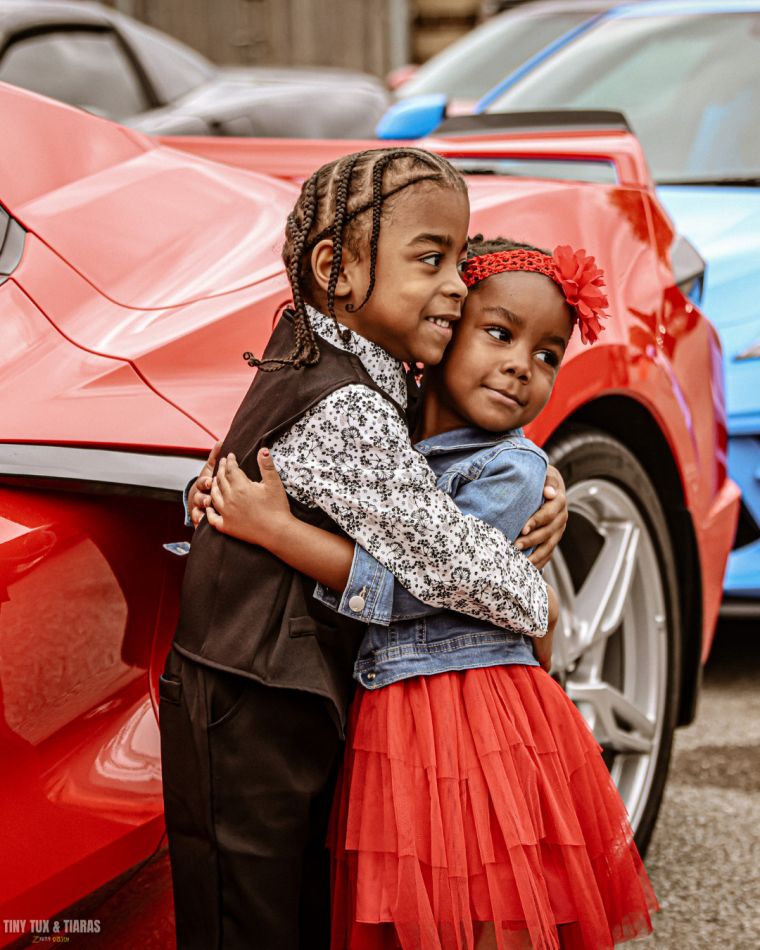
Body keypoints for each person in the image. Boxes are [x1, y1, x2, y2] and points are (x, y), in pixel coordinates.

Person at [162, 149, 568, 950]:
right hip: (249, 698)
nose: (458, 286)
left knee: (299, 907)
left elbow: (426, 467)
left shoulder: (339, 357)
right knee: (248, 917)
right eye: (431, 260)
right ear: (336, 269)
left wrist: (543, 483)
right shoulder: (347, 402)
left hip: (288, 681)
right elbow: (448, 559)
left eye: (460, 261)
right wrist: (537, 599)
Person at [207, 237, 658, 949]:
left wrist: (276, 531)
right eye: (500, 334)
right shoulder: (379, 428)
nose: (523, 365)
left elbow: (420, 587)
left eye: (548, 355)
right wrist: (216, 493)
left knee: (488, 908)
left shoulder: (510, 470)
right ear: (446, 333)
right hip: (399, 714)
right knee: (416, 909)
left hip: (476, 715)